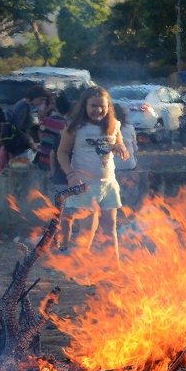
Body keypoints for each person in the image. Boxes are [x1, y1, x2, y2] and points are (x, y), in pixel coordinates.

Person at [55, 86, 129, 258]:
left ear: (108, 106)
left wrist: (120, 147)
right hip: (85, 185)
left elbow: (119, 142)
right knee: (88, 229)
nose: (98, 110)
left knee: (110, 229)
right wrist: (70, 174)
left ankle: (113, 268)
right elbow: (62, 152)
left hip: (109, 184)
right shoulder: (75, 128)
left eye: (102, 106)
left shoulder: (114, 125)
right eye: (93, 106)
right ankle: (79, 268)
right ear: (85, 106)